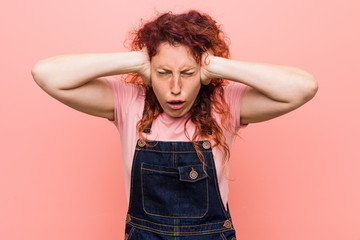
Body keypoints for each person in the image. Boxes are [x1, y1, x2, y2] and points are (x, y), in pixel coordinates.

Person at [31, 10, 318, 240]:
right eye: (163, 72)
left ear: (203, 73)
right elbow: (46, 74)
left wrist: (215, 65)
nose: (176, 88)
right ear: (148, 71)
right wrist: (137, 60)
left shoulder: (225, 104)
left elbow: (303, 87)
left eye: (188, 73)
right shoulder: (129, 103)